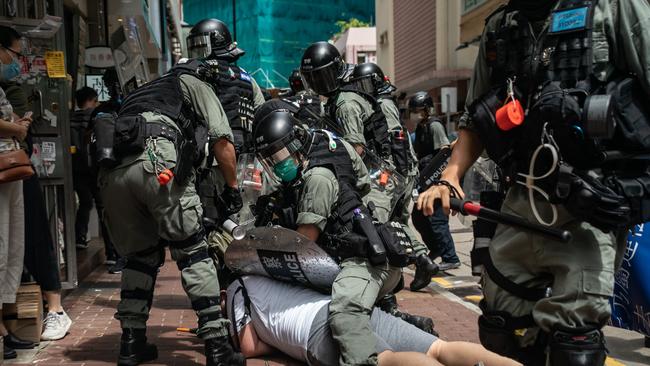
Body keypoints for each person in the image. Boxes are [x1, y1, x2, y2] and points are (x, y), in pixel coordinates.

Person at [416, 0, 650, 365]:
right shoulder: (500, 26)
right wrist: (450, 177)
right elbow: (475, 119)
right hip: (520, 201)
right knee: (500, 329)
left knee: (574, 340)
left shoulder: (614, 7)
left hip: (590, 204)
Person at [98, 57, 244, 366]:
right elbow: (222, 141)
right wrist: (233, 188)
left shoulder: (145, 92)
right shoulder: (194, 82)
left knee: (140, 258)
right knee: (192, 251)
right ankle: (218, 347)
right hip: (156, 160)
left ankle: (131, 343)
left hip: (114, 177)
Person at [252, 108, 404, 366]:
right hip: (355, 248)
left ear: (297, 144)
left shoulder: (318, 177)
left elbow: (304, 243)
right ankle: (404, 326)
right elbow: (364, 183)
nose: (278, 163)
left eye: (280, 155)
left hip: (360, 257)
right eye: (271, 159)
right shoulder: (333, 143)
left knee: (344, 312)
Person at [300, 43, 439, 294]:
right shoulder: (345, 97)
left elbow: (356, 148)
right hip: (387, 171)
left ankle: (388, 292)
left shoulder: (344, 102)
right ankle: (422, 260)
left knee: (376, 227)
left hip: (378, 174)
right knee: (392, 223)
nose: (318, 84)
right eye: (313, 79)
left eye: (322, 76)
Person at [226, 275, 522, 366]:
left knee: (386, 360)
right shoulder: (270, 268)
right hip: (349, 302)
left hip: (314, 330)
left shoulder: (238, 287)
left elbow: (249, 346)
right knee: (438, 349)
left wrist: (274, 343)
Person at [0, 25, 72, 343]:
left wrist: (18, 127)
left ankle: (52, 308)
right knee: (13, 239)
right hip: (10, 166)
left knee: (25, 235)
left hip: (16, 167)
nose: (18, 61)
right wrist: (16, 128)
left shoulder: (7, 84)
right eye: (16, 53)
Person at [348, 63, 438, 291]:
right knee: (397, 222)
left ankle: (398, 272)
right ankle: (422, 260)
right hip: (399, 171)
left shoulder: (382, 104)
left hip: (391, 173)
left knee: (383, 222)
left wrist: (392, 172)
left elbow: (393, 139)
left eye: (363, 84)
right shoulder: (384, 103)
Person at [408, 92, 460, 271]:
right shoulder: (421, 128)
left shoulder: (434, 125)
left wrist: (442, 181)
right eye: (413, 110)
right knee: (419, 217)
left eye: (418, 110)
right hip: (424, 181)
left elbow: (443, 153)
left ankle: (451, 257)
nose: (415, 113)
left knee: (437, 221)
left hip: (436, 180)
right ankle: (436, 248)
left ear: (427, 110)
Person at [0, 85, 33, 358]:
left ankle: (5, 326)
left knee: (12, 245)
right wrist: (17, 130)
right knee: (1, 247)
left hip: (10, 164)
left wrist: (16, 125)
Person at [90, 68, 125, 273]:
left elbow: (90, 142)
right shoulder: (134, 106)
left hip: (107, 172)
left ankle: (117, 255)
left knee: (111, 215)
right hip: (124, 169)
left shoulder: (100, 111)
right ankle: (124, 255)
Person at [71, 87, 99, 249]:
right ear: (90, 100)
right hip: (94, 169)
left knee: (85, 203)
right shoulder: (94, 118)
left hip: (76, 169)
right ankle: (112, 252)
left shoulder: (70, 119)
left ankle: (79, 237)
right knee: (101, 205)